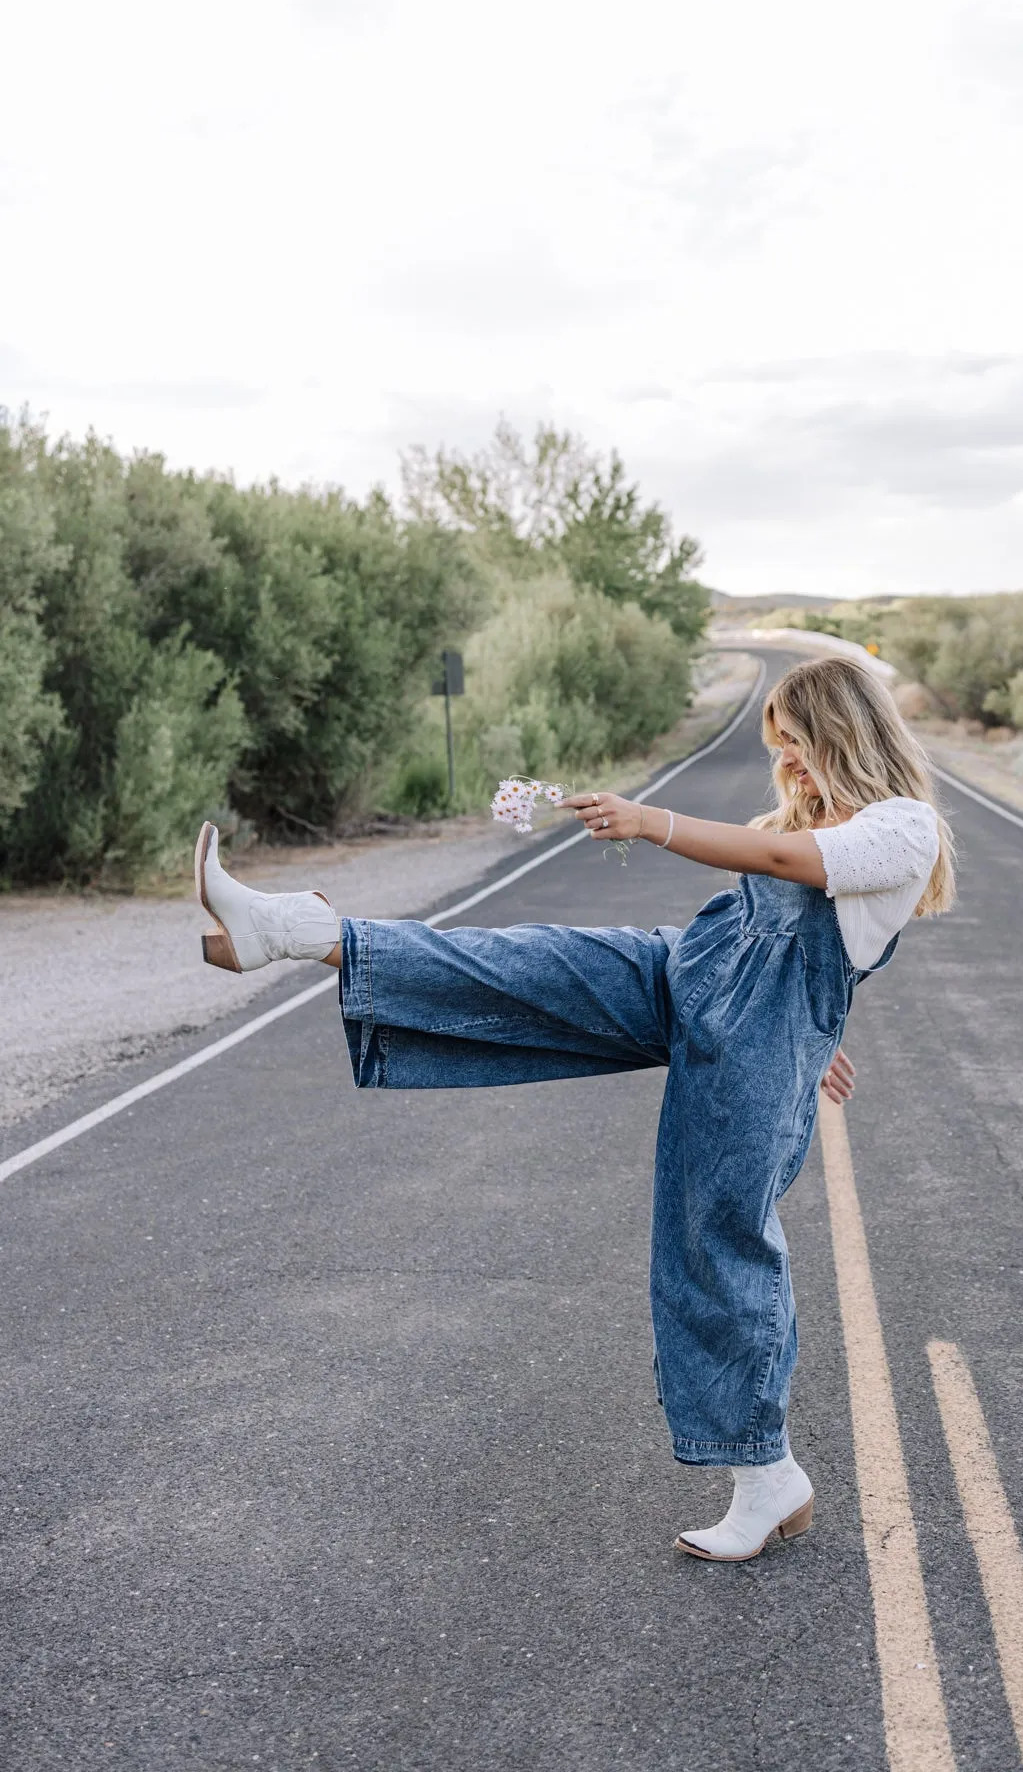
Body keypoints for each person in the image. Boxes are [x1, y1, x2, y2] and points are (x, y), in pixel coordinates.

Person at [193, 656, 955, 1562]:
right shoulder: (806, 812)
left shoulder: (906, 827)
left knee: (715, 1237)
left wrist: (654, 823)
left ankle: (768, 1475)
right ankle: (290, 930)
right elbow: (772, 937)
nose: (785, 758)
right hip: (688, 974)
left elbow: (799, 876)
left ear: (842, 729)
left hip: (750, 1045)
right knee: (529, 964)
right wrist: (810, 1028)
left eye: (793, 738)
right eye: (778, 742)